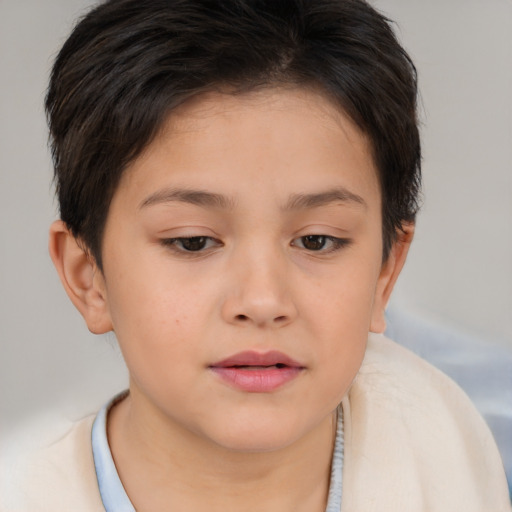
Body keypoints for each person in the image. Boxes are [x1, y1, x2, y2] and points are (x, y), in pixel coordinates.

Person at [2, 0, 510, 510]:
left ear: (385, 272)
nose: (263, 300)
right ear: (88, 276)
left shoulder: (469, 461)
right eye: (193, 241)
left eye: (317, 240)